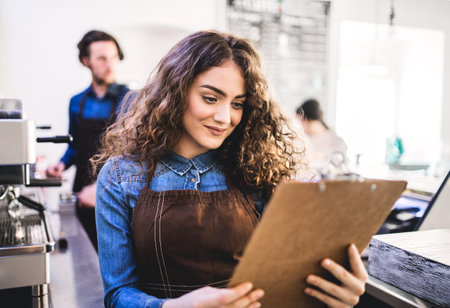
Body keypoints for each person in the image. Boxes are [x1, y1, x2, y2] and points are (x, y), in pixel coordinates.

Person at [93, 30, 367, 308]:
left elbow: (286, 280)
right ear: (174, 93)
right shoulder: (120, 176)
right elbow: (118, 294)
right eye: (210, 98)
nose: (225, 118)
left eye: (237, 104)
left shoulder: (261, 170)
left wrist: (332, 293)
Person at [47, 30, 129, 249]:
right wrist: (61, 164)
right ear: (86, 62)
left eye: (113, 57)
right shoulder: (76, 102)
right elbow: (75, 145)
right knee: (82, 255)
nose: (110, 64)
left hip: (116, 194)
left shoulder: (131, 99)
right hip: (82, 191)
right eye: (102, 58)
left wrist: (102, 187)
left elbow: (133, 154)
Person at [296, 98, 348, 174]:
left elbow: (342, 169)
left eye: (301, 120)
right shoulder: (301, 140)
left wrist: (320, 157)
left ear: (310, 119)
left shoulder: (337, 142)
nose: (300, 125)